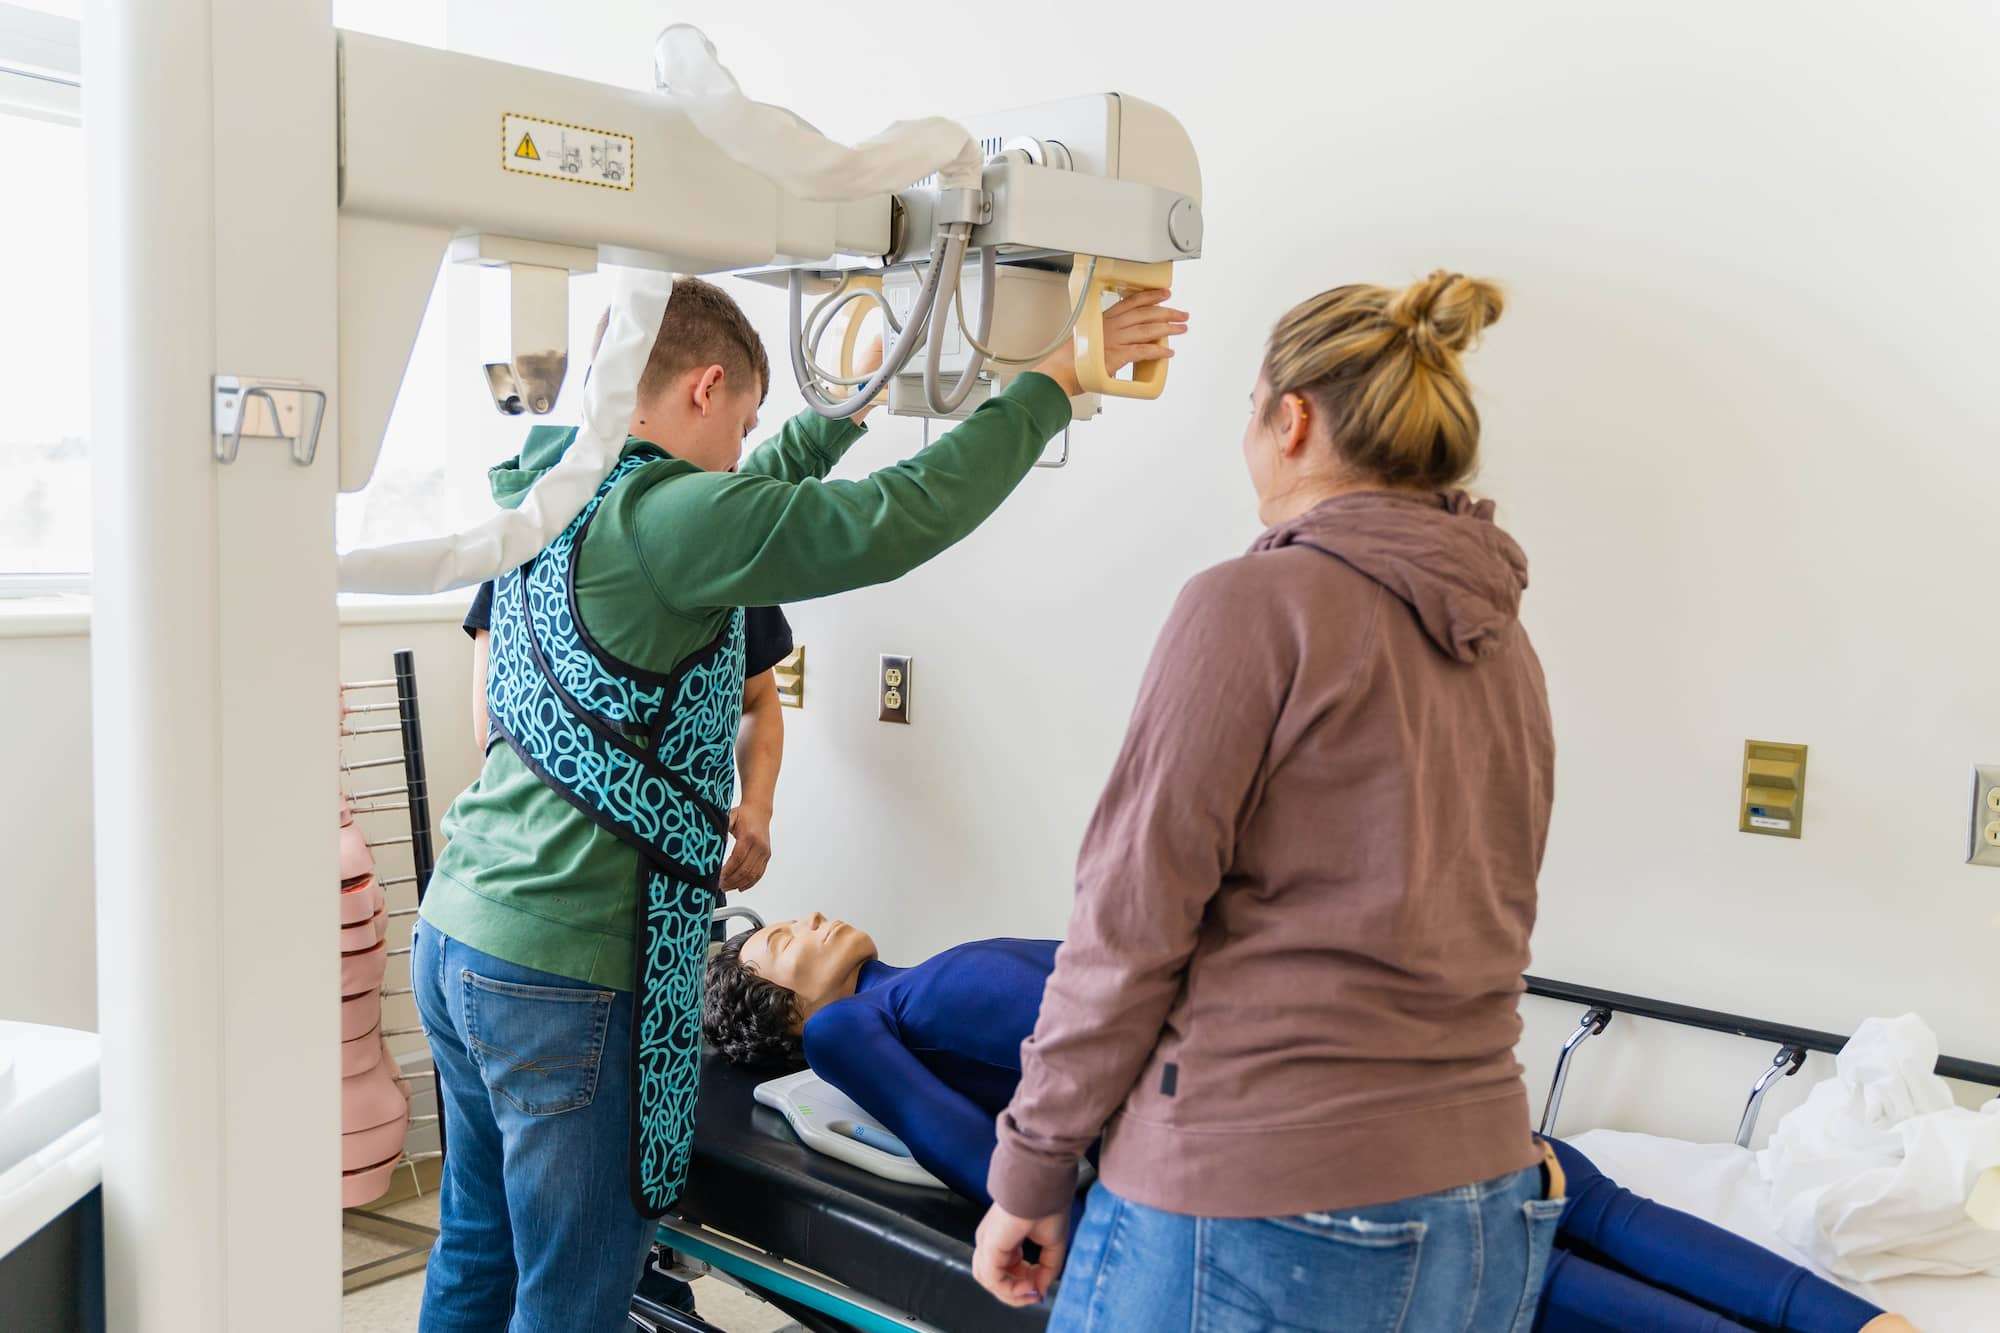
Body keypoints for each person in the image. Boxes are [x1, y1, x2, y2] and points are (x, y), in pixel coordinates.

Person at [413, 275, 1188, 1333]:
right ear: (706, 385)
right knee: (574, 1287)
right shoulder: (666, 512)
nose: (741, 452)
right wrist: (1049, 383)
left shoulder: (560, 488)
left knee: (478, 1246)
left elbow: (750, 491)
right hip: (561, 964)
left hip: (458, 928)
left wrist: (839, 409)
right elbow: (894, 517)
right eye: (738, 427)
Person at [705, 918, 1919, 1333]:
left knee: (1576, 1201)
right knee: (1533, 1255)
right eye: (773, 940)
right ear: (775, 998)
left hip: (1332, 1070)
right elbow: (996, 1168)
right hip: (1289, 1127)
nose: (802, 917)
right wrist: (822, 1022)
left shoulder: (922, 970)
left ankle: (1862, 1321)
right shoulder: (845, 1033)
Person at [464, 586, 791, 893]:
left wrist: (758, 809)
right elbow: (493, 727)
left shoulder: (720, 553)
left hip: (677, 876)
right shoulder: (524, 549)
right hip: (539, 865)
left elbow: (758, 701)